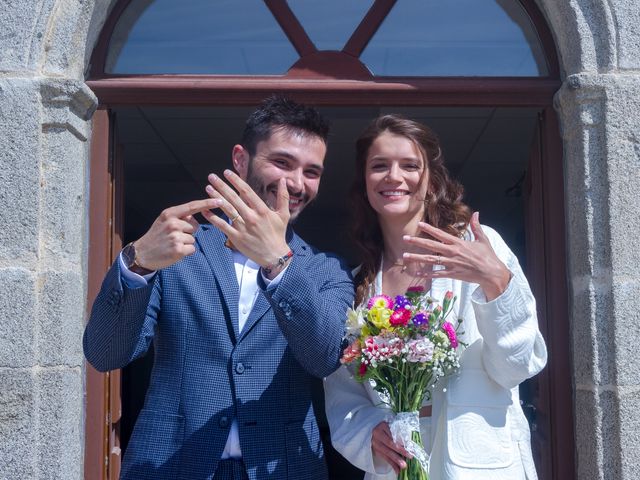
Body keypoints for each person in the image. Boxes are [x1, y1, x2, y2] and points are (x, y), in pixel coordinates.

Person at [83, 96, 354, 480]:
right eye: (282, 162)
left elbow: (325, 357)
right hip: (170, 466)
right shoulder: (179, 250)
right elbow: (106, 354)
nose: (296, 183)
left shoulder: (326, 270)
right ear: (241, 160)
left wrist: (278, 261)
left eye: (312, 171)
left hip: (283, 469)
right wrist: (135, 261)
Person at [324, 115, 547, 479]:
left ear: (431, 179)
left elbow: (517, 367)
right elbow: (342, 391)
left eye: (410, 165)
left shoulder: (478, 248)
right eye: (379, 166)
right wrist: (367, 431)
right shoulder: (356, 284)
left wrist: (495, 280)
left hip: (479, 464)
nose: (394, 176)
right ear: (364, 181)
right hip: (397, 467)